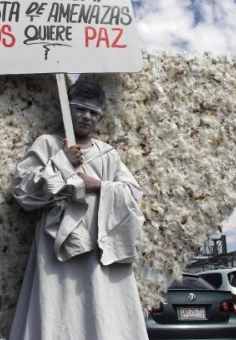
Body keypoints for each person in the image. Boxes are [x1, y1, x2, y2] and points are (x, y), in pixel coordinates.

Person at [9, 80, 148, 340]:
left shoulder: (108, 154)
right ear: (67, 110)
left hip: (97, 249)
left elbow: (132, 194)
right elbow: (22, 192)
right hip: (55, 250)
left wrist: (98, 185)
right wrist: (62, 162)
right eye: (80, 109)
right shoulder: (47, 145)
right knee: (56, 308)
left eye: (94, 113)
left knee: (100, 309)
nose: (86, 117)